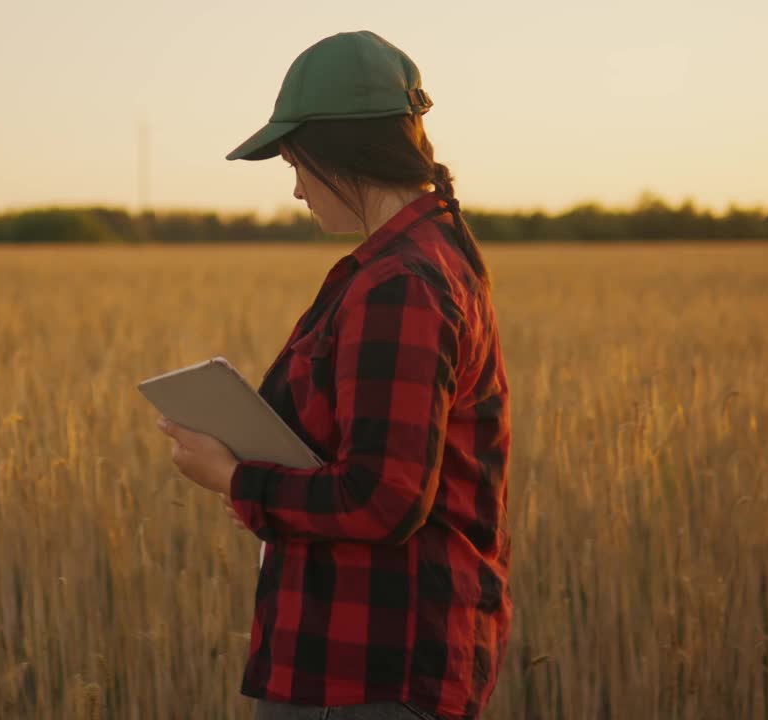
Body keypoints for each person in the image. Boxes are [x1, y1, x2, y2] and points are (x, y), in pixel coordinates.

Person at [155, 30, 512, 720]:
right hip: (369, 662)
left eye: (295, 161)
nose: (294, 188)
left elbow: (386, 498)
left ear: (337, 153)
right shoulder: (427, 259)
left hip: (368, 669)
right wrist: (270, 484)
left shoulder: (399, 284)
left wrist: (234, 478)